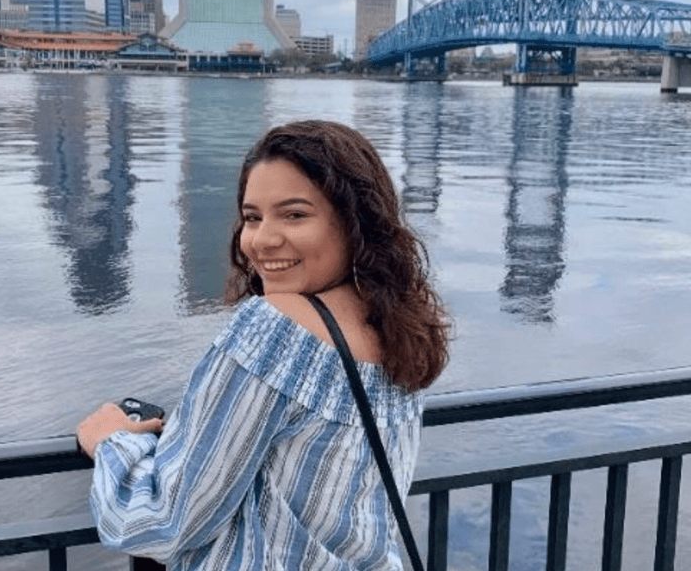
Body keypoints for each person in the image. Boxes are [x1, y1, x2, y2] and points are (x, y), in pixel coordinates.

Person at [77, 120, 450, 570]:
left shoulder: (279, 328)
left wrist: (112, 442)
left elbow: (166, 522)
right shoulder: (400, 329)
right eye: (253, 217)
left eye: (294, 214)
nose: (262, 240)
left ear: (355, 224)